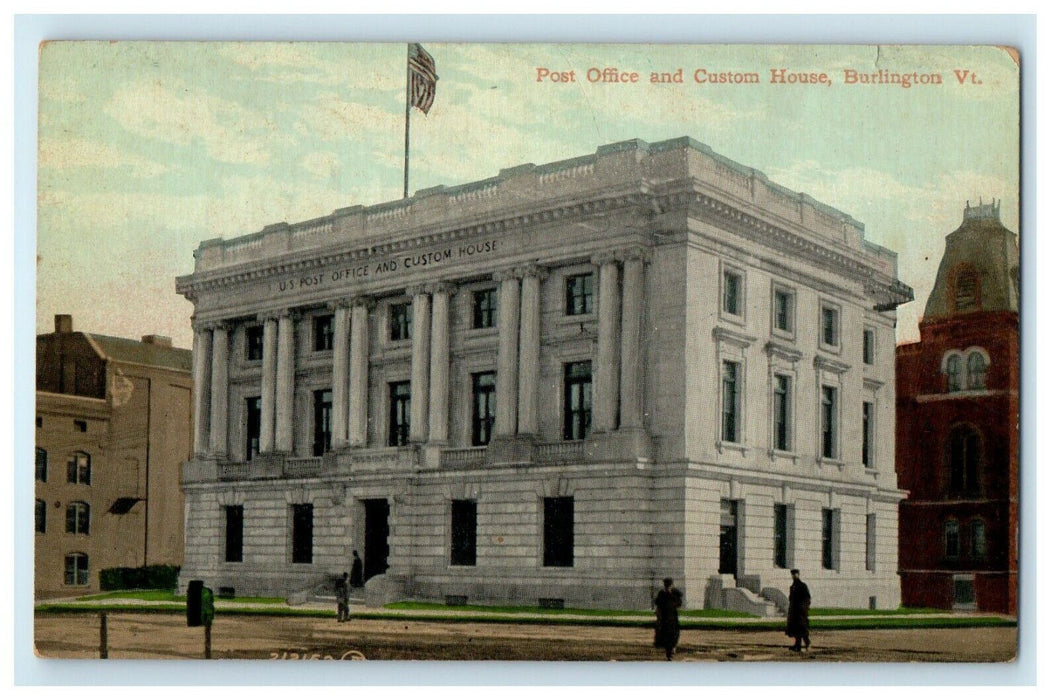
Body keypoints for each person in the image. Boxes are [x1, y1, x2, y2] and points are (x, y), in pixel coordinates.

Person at [652, 577, 683, 661]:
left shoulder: (675, 593)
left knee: (674, 634)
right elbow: (658, 604)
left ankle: (673, 647)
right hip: (665, 617)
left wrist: (671, 594)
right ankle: (669, 653)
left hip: (672, 617)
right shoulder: (662, 594)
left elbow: (678, 603)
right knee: (666, 635)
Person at [785, 569, 811, 652]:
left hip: (801, 611)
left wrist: (804, 607)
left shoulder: (802, 585)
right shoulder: (793, 586)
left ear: (798, 575)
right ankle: (797, 645)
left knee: (802, 628)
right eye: (793, 574)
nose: (794, 576)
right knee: (796, 628)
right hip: (794, 611)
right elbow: (791, 598)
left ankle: (807, 643)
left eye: (795, 574)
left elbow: (807, 598)